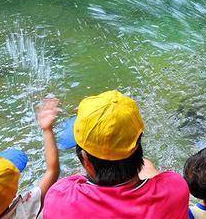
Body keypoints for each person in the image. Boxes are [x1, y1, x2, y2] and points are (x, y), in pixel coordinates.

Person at [42, 90, 190, 218]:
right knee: (148, 166)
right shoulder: (175, 189)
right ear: (137, 147)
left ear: (86, 160)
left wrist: (48, 129)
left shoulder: (59, 199)